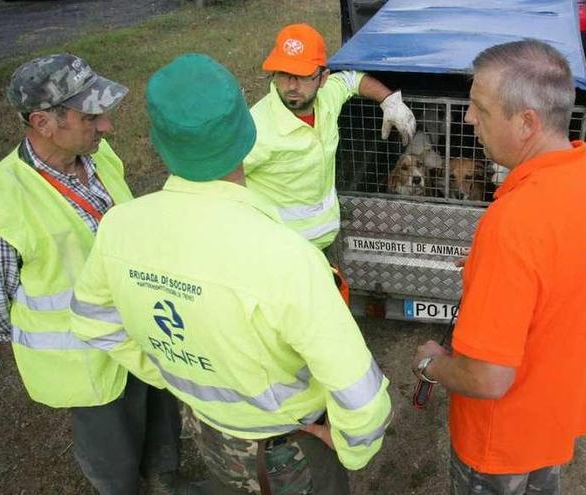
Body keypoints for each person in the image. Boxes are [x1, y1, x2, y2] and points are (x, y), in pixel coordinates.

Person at [68, 53, 392, 495]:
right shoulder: (286, 257)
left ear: (159, 141)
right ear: (246, 133)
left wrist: (175, 374)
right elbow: (361, 395)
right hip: (287, 450)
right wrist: (352, 448)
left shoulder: (118, 228)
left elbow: (92, 321)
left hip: (208, 433)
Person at [412, 40, 586, 495]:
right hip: (556, 419)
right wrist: (489, 271)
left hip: (499, 442)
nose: (469, 119)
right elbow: (571, 274)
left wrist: (432, 364)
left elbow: (487, 378)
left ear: (527, 122)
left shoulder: (514, 221)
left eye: (480, 109)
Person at [0, 54, 184, 494]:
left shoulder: (100, 158)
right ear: (43, 123)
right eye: (92, 116)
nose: (106, 127)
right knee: (115, 466)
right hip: (87, 365)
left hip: (143, 335)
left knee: (162, 429)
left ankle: (165, 480)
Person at [244, 23, 416, 250]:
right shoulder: (254, 129)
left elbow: (351, 80)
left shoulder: (327, 99)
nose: (291, 86)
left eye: (302, 76)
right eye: (284, 74)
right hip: (284, 252)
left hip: (324, 241)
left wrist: (388, 100)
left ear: (323, 78)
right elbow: (215, 183)